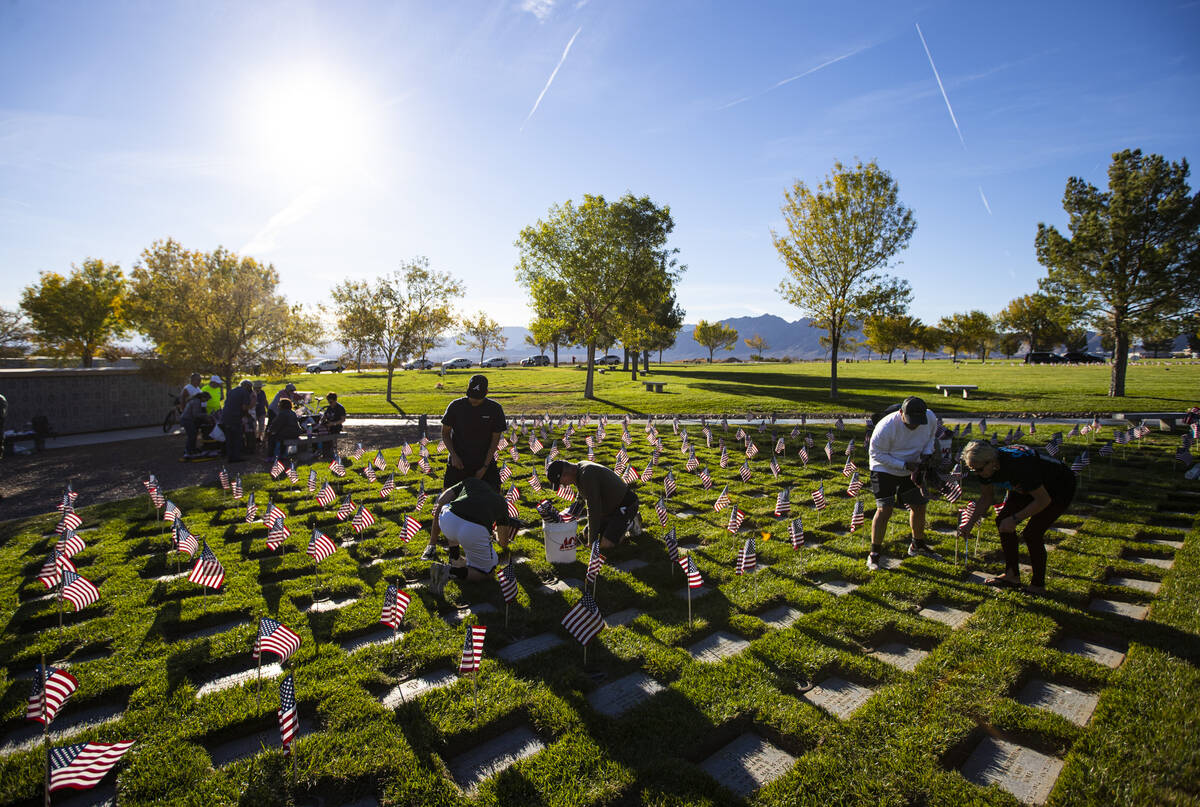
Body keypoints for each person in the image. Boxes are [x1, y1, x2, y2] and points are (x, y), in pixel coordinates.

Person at [958, 440, 1076, 594]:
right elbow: (986, 498)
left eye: (979, 469)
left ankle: (1038, 585)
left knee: (1032, 533)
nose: (978, 474)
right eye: (973, 470)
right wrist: (969, 524)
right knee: (1002, 521)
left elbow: (1043, 500)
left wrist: (1015, 519)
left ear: (992, 462)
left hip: (1058, 487)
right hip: (1025, 486)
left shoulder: (1018, 466)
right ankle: (1011, 575)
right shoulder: (983, 466)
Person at [421, 374, 506, 560]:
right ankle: (432, 544)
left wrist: (485, 466)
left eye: (478, 398)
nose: (474, 401)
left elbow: (495, 441)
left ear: (487, 393)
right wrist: (454, 455)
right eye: (471, 397)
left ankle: (500, 543)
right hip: (457, 464)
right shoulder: (456, 406)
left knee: (497, 501)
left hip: (485, 463)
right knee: (443, 501)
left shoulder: (495, 409)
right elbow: (445, 434)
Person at [866, 396, 940, 571]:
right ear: (901, 413)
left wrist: (926, 456)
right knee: (885, 509)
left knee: (919, 505)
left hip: (913, 466)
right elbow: (876, 454)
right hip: (884, 467)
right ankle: (874, 554)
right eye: (911, 422)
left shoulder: (930, 418)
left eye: (918, 422)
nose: (914, 425)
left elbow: (930, 438)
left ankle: (917, 545)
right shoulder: (885, 427)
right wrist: (904, 465)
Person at [427, 477, 521, 594]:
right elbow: (503, 543)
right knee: (487, 573)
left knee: (454, 521)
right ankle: (449, 572)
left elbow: (442, 499)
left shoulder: (471, 481)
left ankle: (454, 557)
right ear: (499, 490)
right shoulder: (500, 501)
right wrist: (497, 533)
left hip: (448, 519)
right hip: (473, 530)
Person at [546, 459, 642, 550]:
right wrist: (573, 513)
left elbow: (594, 510)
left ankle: (631, 522)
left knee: (606, 545)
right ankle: (615, 525)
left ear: (566, 474)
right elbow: (582, 494)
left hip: (625, 504)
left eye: (561, 482)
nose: (564, 486)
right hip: (609, 508)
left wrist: (592, 542)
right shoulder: (577, 470)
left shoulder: (587, 474)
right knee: (586, 534)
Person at [221, 379, 254, 463]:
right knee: (237, 437)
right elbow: (244, 407)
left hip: (225, 416)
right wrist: (248, 414)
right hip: (235, 417)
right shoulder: (244, 392)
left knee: (229, 437)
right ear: (247, 386)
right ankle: (236, 456)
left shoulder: (232, 391)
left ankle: (230, 456)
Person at [180, 390, 211, 456]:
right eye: (206, 399)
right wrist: (206, 415)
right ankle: (189, 450)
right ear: (203, 397)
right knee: (192, 435)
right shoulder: (196, 402)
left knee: (193, 434)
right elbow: (196, 414)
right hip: (187, 420)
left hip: (187, 419)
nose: (206, 401)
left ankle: (192, 448)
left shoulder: (195, 400)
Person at [317, 391, 347, 458]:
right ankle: (323, 451)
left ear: (335, 400)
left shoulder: (340, 408)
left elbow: (343, 420)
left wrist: (333, 423)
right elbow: (324, 416)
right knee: (318, 432)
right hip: (328, 426)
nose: (329, 403)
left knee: (330, 434)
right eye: (328, 402)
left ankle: (331, 451)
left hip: (336, 427)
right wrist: (321, 421)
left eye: (330, 402)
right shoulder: (329, 408)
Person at [252, 380, 268, 448]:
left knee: (261, 426)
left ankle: (259, 437)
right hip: (254, 412)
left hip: (261, 411)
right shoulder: (252, 394)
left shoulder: (262, 393)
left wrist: (268, 407)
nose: (260, 389)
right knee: (254, 426)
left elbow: (265, 401)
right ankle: (254, 438)